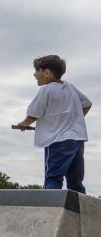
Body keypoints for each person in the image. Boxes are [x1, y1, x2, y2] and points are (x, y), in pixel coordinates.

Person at [14, 55, 92, 193]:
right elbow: (86, 105)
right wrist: (72, 121)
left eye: (36, 71)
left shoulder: (46, 89)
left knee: (53, 178)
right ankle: (83, 213)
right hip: (77, 140)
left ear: (46, 72)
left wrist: (23, 124)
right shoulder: (70, 87)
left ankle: (51, 212)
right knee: (75, 182)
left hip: (58, 141)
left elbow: (33, 115)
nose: (34, 75)